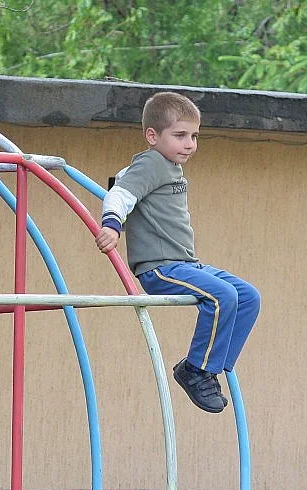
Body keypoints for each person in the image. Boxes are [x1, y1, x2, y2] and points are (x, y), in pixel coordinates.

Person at [95, 91, 260, 413]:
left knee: (249, 296)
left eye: (195, 136)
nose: (190, 144)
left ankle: (212, 367)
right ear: (152, 136)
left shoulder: (166, 165)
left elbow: (130, 178)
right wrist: (112, 224)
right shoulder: (153, 162)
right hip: (160, 268)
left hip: (186, 264)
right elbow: (120, 193)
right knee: (222, 296)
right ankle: (197, 370)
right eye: (180, 135)